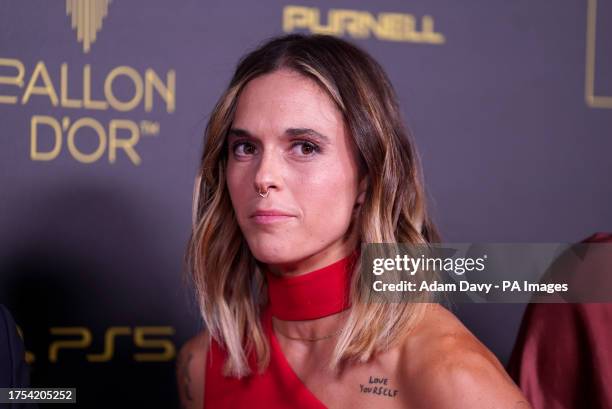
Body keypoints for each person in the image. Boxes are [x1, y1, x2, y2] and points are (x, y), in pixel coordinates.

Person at [177, 33, 531, 408]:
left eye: (305, 147)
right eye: (245, 148)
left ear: (367, 177)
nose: (264, 177)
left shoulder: (446, 371)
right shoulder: (202, 366)